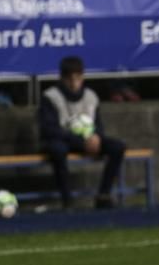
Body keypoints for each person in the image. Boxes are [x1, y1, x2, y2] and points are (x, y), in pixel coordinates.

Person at [38, 56, 127, 209]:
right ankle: (67, 200)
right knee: (57, 150)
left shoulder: (91, 97)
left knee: (118, 147)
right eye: (69, 79)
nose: (74, 84)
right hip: (63, 141)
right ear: (62, 78)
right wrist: (79, 141)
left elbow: (98, 124)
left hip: (88, 141)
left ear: (83, 77)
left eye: (78, 78)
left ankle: (103, 195)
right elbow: (49, 129)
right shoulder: (50, 97)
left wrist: (97, 137)